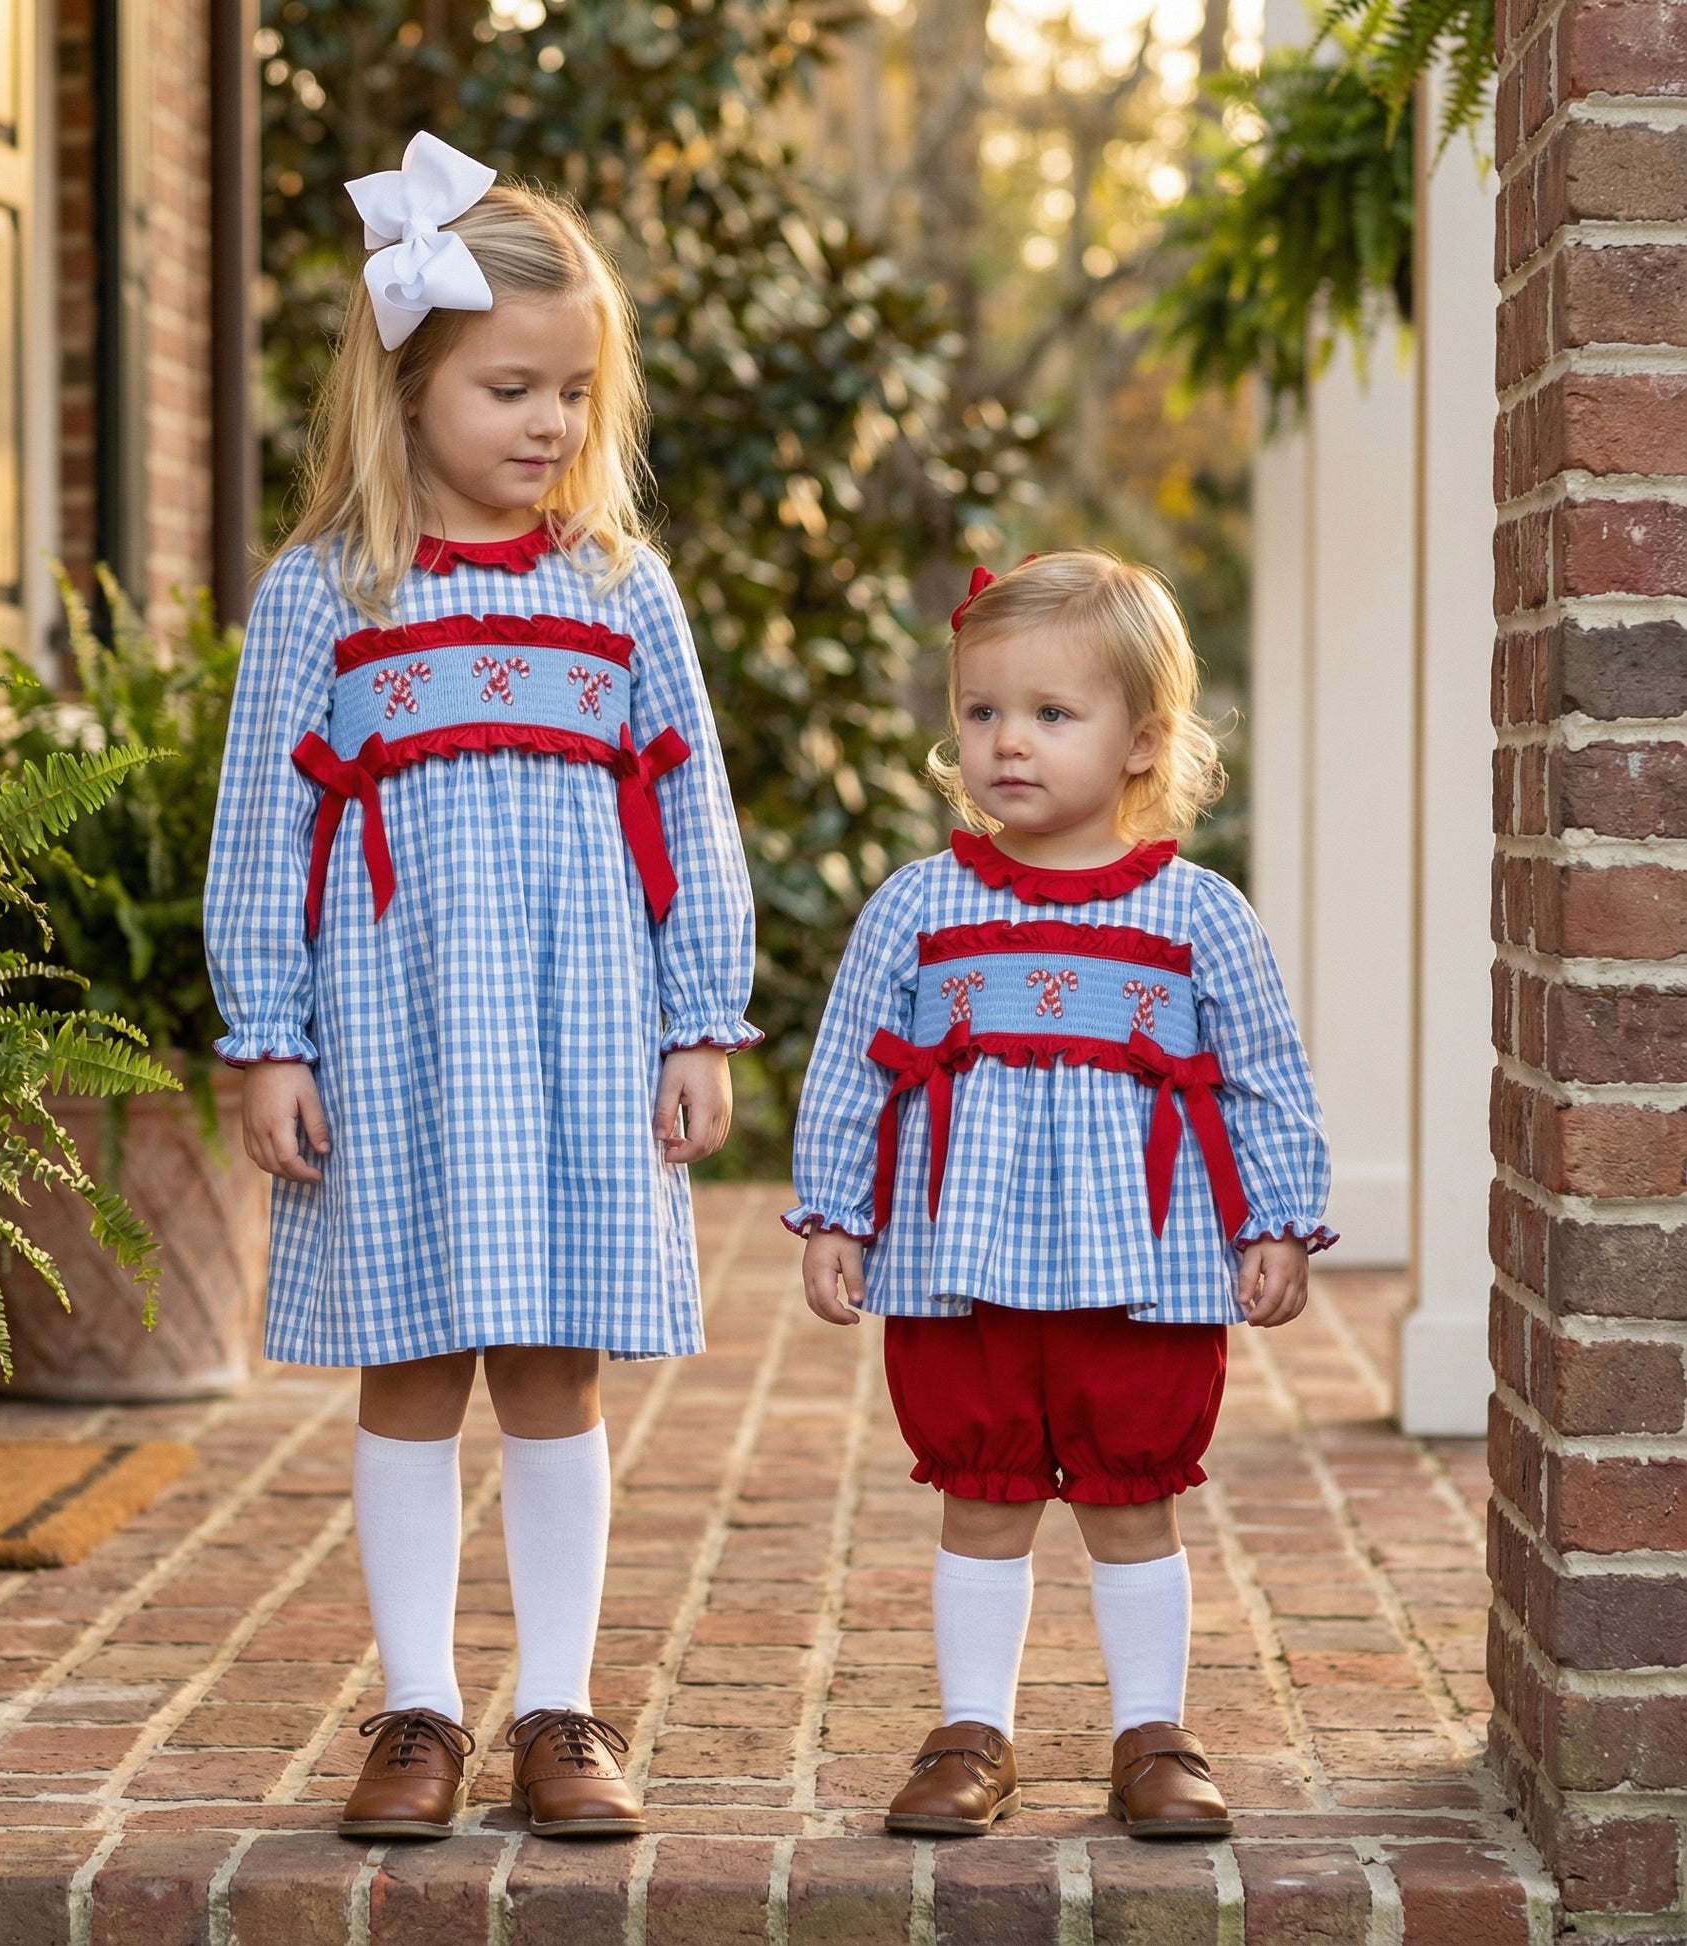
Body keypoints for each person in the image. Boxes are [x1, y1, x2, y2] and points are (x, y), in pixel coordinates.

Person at [204, 133, 758, 1843]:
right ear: (407, 384)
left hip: (579, 1029)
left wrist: (699, 1015)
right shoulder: (328, 597)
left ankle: (562, 1707)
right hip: (395, 1036)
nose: (550, 425)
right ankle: (421, 1705)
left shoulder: (618, 593)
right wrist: (267, 1036)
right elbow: (261, 826)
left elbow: (689, 809)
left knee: (551, 1372)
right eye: (511, 386)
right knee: (411, 1367)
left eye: (577, 394)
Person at [788, 551, 1332, 1841]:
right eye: (981, 712)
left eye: (1050, 715)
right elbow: (853, 1070)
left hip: (1138, 1264)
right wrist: (834, 1212)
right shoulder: (917, 910)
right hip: (958, 1258)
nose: (1006, 744)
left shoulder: (1199, 918)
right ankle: (973, 1731)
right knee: (983, 1491)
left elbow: (1261, 1078)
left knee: (1131, 1495)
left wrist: (1274, 1218)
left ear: (1143, 740)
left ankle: (1151, 1734)